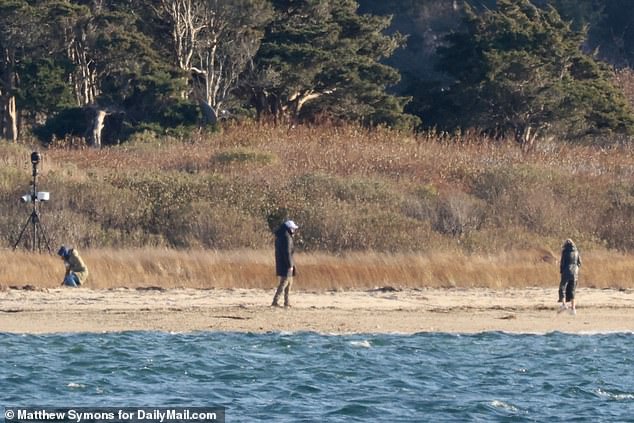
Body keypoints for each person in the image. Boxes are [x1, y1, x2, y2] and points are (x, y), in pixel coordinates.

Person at [271, 220, 298, 308]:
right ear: (289, 228)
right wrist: (290, 265)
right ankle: (275, 301)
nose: (294, 231)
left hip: (281, 262)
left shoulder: (280, 236)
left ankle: (287, 302)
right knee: (284, 283)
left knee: (288, 282)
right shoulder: (287, 237)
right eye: (293, 229)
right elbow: (287, 252)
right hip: (286, 264)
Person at [558, 239, 581, 315]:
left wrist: (561, 271)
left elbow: (562, 263)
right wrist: (576, 269)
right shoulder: (577, 252)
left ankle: (564, 304)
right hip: (575, 273)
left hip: (566, 271)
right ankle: (573, 309)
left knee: (562, 288)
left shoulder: (565, 252)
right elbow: (579, 263)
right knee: (572, 291)